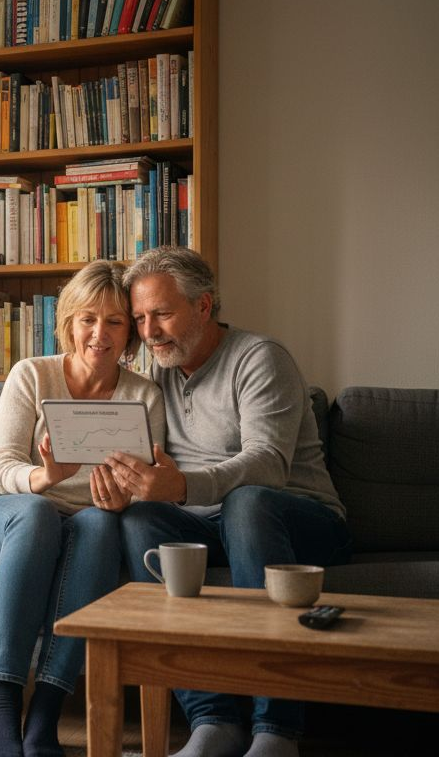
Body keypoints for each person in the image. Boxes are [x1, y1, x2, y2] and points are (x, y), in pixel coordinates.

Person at [103, 248, 351, 757]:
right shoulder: (157, 377)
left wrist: (185, 486)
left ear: (204, 305)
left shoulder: (260, 357)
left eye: (162, 314)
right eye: (141, 318)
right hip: (209, 526)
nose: (149, 332)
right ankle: (212, 722)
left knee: (248, 502)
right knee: (140, 520)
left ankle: (277, 731)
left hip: (298, 519)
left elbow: (268, 464)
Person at [0, 261, 166, 757]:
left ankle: (45, 713)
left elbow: (145, 483)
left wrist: (123, 497)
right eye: (87, 319)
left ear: (130, 334)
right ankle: (3, 709)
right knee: (37, 513)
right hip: (2, 508)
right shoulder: (32, 374)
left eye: (114, 321)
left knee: (103, 525)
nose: (99, 333)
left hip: (84, 518)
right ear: (68, 323)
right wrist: (46, 476)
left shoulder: (144, 395)